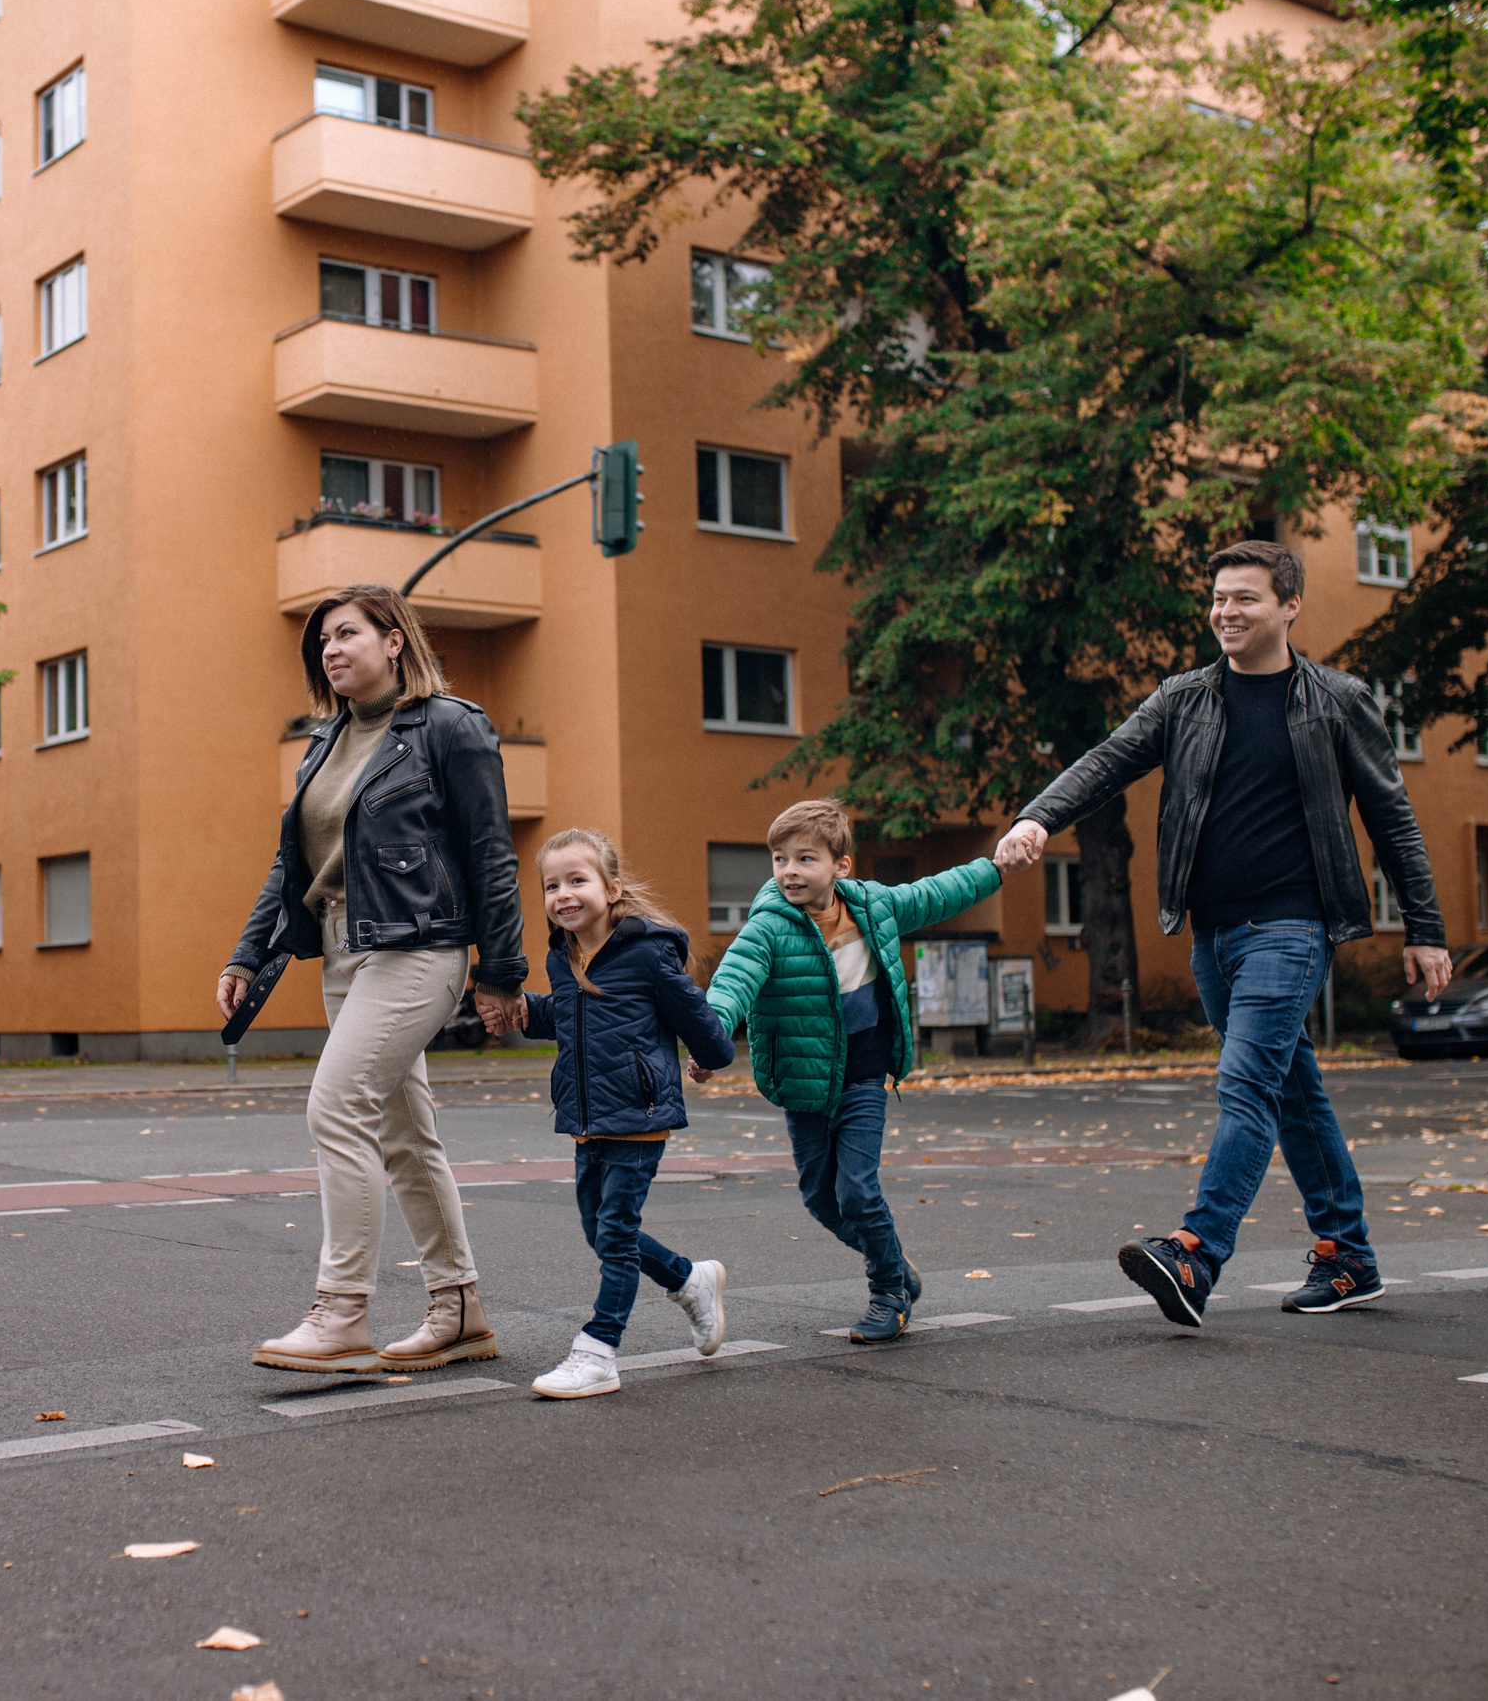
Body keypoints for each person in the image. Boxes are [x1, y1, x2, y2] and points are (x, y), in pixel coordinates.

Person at [994, 539, 1452, 1325]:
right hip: (1213, 936)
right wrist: (1038, 815)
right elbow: (1107, 762)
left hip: (1295, 926)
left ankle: (1197, 1252)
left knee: (1244, 1084)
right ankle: (1350, 1256)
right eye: (1218, 598)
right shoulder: (1184, 698)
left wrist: (1426, 926)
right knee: (1291, 1092)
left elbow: (1392, 816)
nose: (1226, 612)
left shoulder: (1338, 700)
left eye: (1244, 598)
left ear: (1289, 606)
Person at [221, 585, 527, 1373]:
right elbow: (293, 863)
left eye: (347, 632)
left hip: (422, 946)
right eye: (321, 639)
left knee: (337, 1103)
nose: (329, 648)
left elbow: (492, 854)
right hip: (344, 948)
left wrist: (502, 971)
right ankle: (459, 1309)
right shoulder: (324, 742)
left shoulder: (449, 727)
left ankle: (341, 1311)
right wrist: (247, 954)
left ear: (395, 641)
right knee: (402, 1134)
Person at [694, 800, 1003, 1343]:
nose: (789, 870)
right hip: (805, 1082)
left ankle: (889, 1293)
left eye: (805, 858)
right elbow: (730, 986)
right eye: (779, 858)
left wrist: (998, 866)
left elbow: (939, 893)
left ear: (841, 866)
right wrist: (709, 1039)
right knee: (820, 1199)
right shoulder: (767, 930)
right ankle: (895, 1264)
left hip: (865, 1075)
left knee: (857, 1192)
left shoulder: (874, 907)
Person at [516, 829, 738, 1399]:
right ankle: (690, 1281)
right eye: (551, 885)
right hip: (588, 1115)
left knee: (613, 1233)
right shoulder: (562, 957)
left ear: (612, 889)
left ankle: (597, 1350)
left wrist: (710, 1057)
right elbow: (567, 1017)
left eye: (577, 880)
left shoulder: (647, 952)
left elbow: (695, 1015)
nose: (564, 894)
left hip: (640, 1113)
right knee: (601, 1229)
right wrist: (521, 1013)